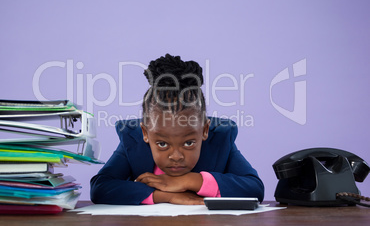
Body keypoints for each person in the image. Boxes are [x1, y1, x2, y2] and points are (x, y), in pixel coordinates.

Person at [90, 54, 264, 205]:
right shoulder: (132, 140)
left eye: (188, 143)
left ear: (204, 130)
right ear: (145, 133)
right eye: (162, 144)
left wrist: (189, 181)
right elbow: (100, 188)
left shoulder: (219, 139)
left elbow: (255, 188)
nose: (176, 156)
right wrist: (164, 196)